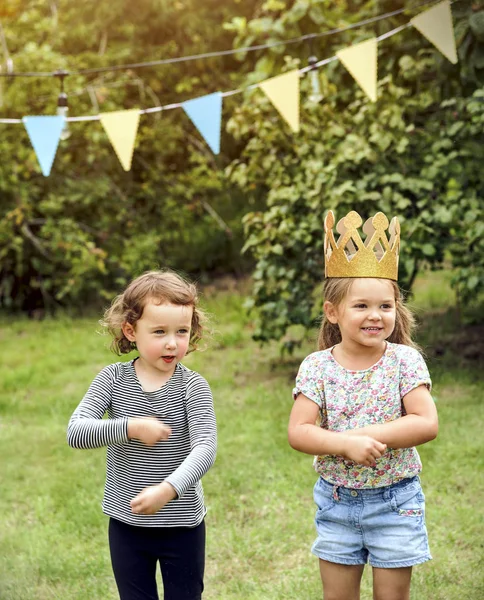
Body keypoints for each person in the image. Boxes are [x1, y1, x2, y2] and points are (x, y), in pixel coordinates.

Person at [288, 210, 438, 600]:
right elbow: (299, 431)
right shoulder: (317, 367)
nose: (375, 315)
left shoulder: (404, 361)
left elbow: (425, 422)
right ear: (333, 312)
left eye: (385, 306)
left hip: (396, 501)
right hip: (337, 502)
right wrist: (343, 445)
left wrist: (361, 435)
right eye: (361, 306)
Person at [67, 270, 217, 600]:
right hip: (127, 522)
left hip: (182, 525)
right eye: (159, 331)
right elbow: (76, 431)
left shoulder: (192, 386)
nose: (172, 342)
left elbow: (205, 447)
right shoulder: (112, 379)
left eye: (182, 331)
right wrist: (130, 426)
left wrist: (169, 489)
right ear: (131, 331)